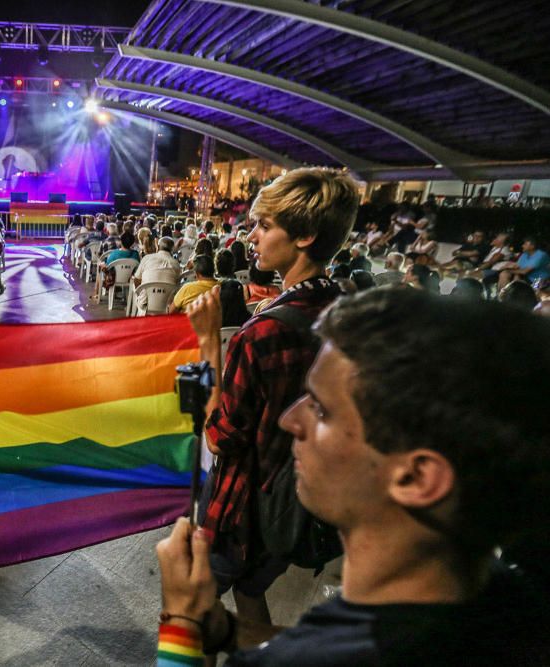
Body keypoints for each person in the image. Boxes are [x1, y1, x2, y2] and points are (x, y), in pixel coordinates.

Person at [158, 288, 549, 665]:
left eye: (323, 410)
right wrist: (227, 630)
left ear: (416, 478)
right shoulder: (510, 602)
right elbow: (336, 641)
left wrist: (181, 624)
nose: (290, 420)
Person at [196, 168, 359, 627]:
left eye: (266, 226)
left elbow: (220, 438)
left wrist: (210, 345)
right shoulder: (347, 312)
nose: (254, 235)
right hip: (295, 504)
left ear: (304, 235)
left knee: (191, 607)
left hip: (240, 506)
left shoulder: (263, 333)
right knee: (251, 596)